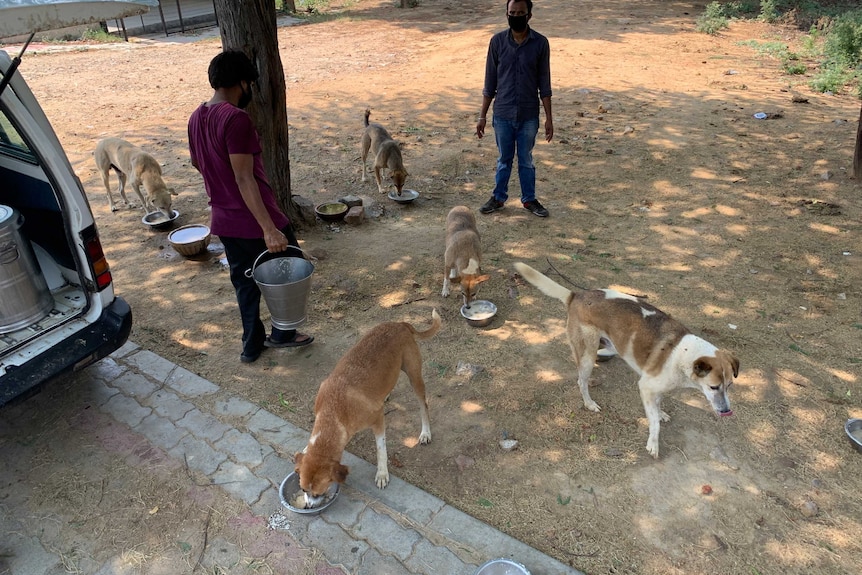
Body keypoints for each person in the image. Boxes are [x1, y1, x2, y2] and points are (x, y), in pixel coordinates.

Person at [188, 50, 313, 364]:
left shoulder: (195, 117)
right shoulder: (236, 119)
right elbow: (245, 179)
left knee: (244, 282)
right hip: (257, 219)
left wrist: (220, 187)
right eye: (249, 84)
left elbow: (197, 163)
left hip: (225, 221)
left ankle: (251, 346)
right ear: (242, 82)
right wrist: (268, 229)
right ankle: (284, 334)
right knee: (288, 272)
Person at [476, 0, 553, 218]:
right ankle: (498, 197)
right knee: (504, 159)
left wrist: (549, 118)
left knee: (526, 159)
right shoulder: (497, 42)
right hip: (502, 114)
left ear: (529, 15)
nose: (516, 16)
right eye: (512, 12)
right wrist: (482, 116)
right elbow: (489, 83)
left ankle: (529, 199)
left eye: (520, 12)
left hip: (529, 115)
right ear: (506, 14)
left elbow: (544, 84)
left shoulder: (540, 44)